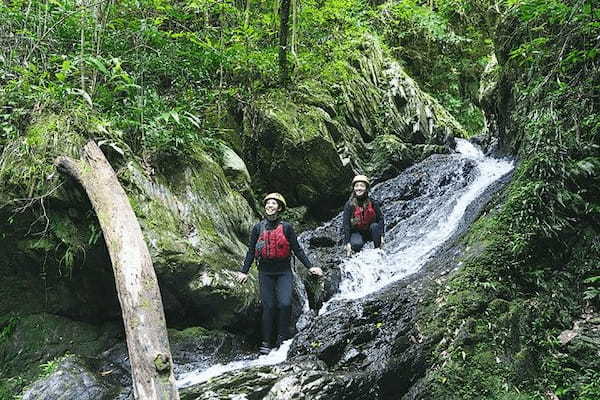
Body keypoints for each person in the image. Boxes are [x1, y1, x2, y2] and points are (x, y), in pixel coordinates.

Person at [237, 192, 323, 355]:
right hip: (265, 272)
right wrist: (244, 272)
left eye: (273, 203)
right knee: (268, 306)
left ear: (280, 208)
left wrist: (310, 266)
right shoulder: (258, 228)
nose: (270, 206)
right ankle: (266, 341)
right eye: (268, 203)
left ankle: (282, 339)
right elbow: (251, 252)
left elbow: (297, 249)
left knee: (284, 304)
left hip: (283, 271)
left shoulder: (287, 227)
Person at [342, 175, 385, 256]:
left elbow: (380, 219)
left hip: (370, 231)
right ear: (353, 188)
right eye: (356, 186)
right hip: (357, 232)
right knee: (356, 244)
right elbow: (346, 224)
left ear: (366, 189)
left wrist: (382, 236)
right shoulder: (349, 205)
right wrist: (347, 243)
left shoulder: (373, 203)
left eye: (362, 186)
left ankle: (378, 251)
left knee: (375, 226)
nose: (359, 188)